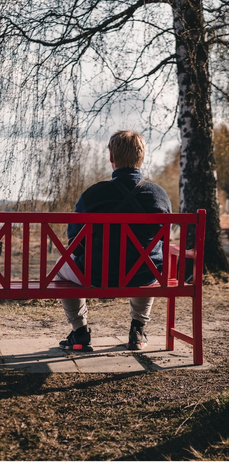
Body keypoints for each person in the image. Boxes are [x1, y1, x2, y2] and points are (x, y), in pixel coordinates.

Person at [56, 130, 172, 352]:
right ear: (142, 157)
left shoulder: (93, 195)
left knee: (61, 268)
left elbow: (75, 242)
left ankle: (80, 333)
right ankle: (137, 331)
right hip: (145, 274)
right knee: (149, 260)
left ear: (111, 158)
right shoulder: (159, 195)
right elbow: (162, 241)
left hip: (97, 274)